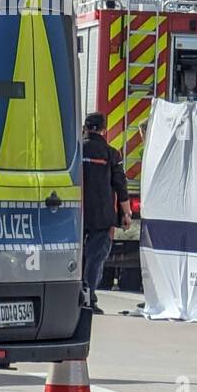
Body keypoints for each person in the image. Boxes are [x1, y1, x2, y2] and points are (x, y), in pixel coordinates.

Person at [82, 112, 130, 314]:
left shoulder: (75, 150)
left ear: (85, 128)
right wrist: (126, 214)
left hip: (74, 213)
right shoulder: (111, 154)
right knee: (95, 257)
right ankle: (88, 298)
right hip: (101, 215)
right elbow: (120, 185)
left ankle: (73, 296)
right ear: (104, 130)